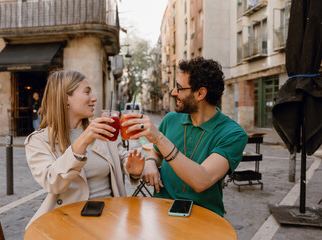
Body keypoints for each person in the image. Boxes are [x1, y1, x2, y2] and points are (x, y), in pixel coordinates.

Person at [121, 57, 248, 217]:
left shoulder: (233, 134)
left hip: (204, 217)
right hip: (160, 211)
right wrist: (150, 162)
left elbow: (201, 180)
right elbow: (156, 153)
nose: (173, 93)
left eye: (179, 88)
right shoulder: (170, 119)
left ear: (200, 93)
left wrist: (159, 138)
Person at [24, 70, 144, 228]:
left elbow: (122, 158)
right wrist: (83, 140)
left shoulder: (103, 128)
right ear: (67, 98)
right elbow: (52, 182)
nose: (94, 98)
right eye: (87, 92)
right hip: (68, 222)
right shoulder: (39, 140)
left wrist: (132, 169)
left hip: (112, 219)